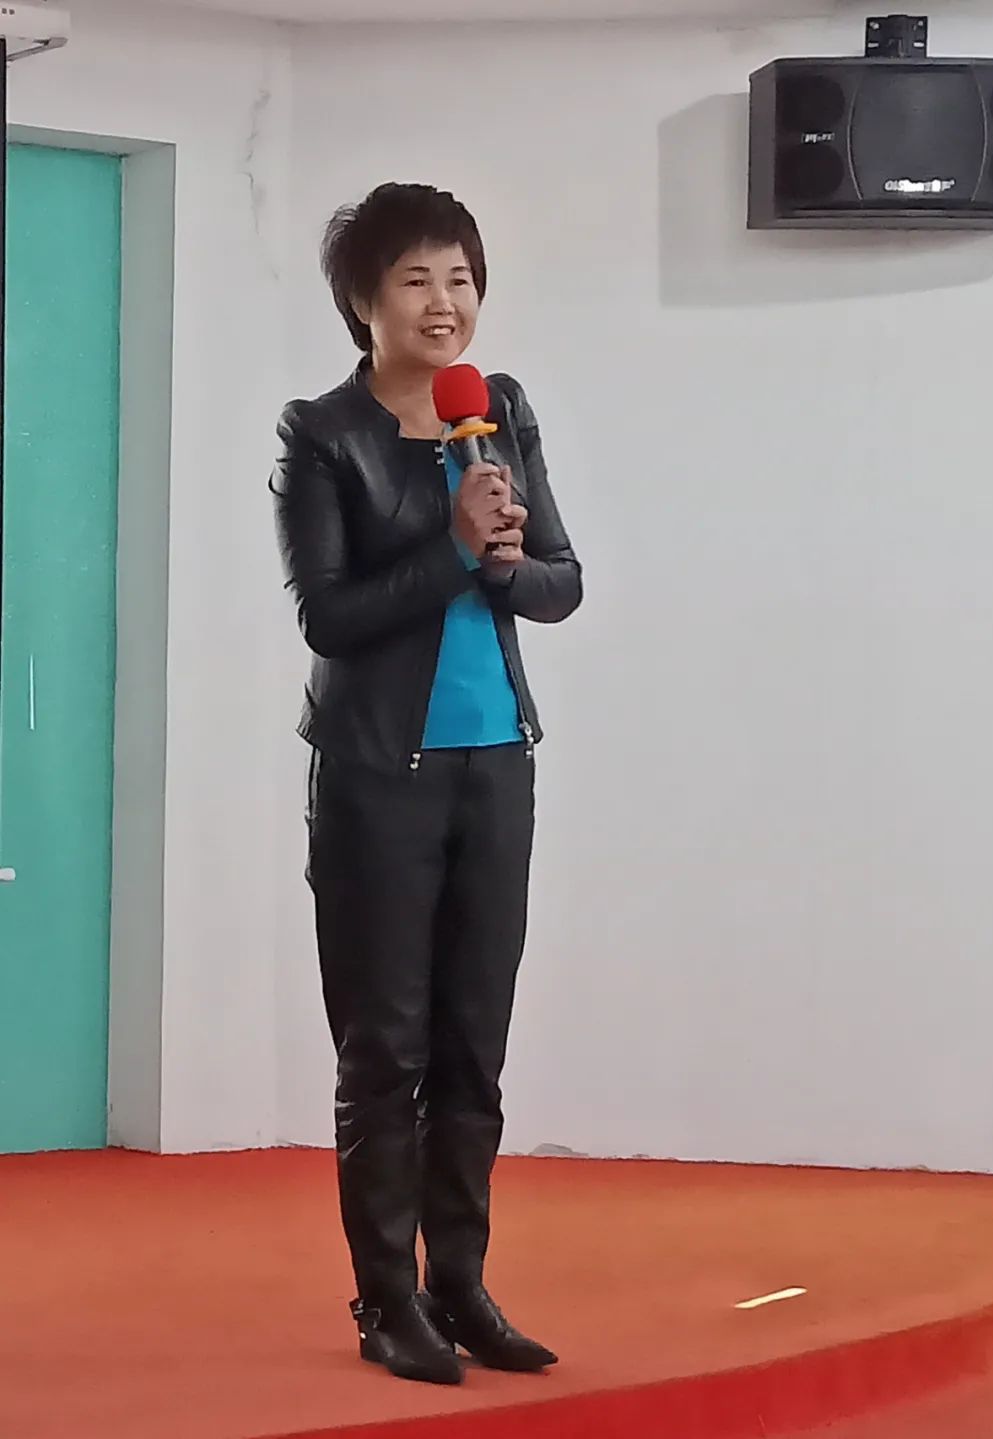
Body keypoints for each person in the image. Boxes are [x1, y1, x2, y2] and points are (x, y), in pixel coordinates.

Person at [271, 183, 582, 1387]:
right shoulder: (324, 434)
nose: (444, 302)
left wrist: (500, 565)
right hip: (375, 780)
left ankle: (462, 1283)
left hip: (496, 766)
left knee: (472, 1047)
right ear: (363, 301)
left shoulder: (498, 411)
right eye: (415, 280)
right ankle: (387, 1299)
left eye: (460, 277)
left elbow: (560, 581)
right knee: (385, 1050)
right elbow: (330, 616)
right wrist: (452, 546)